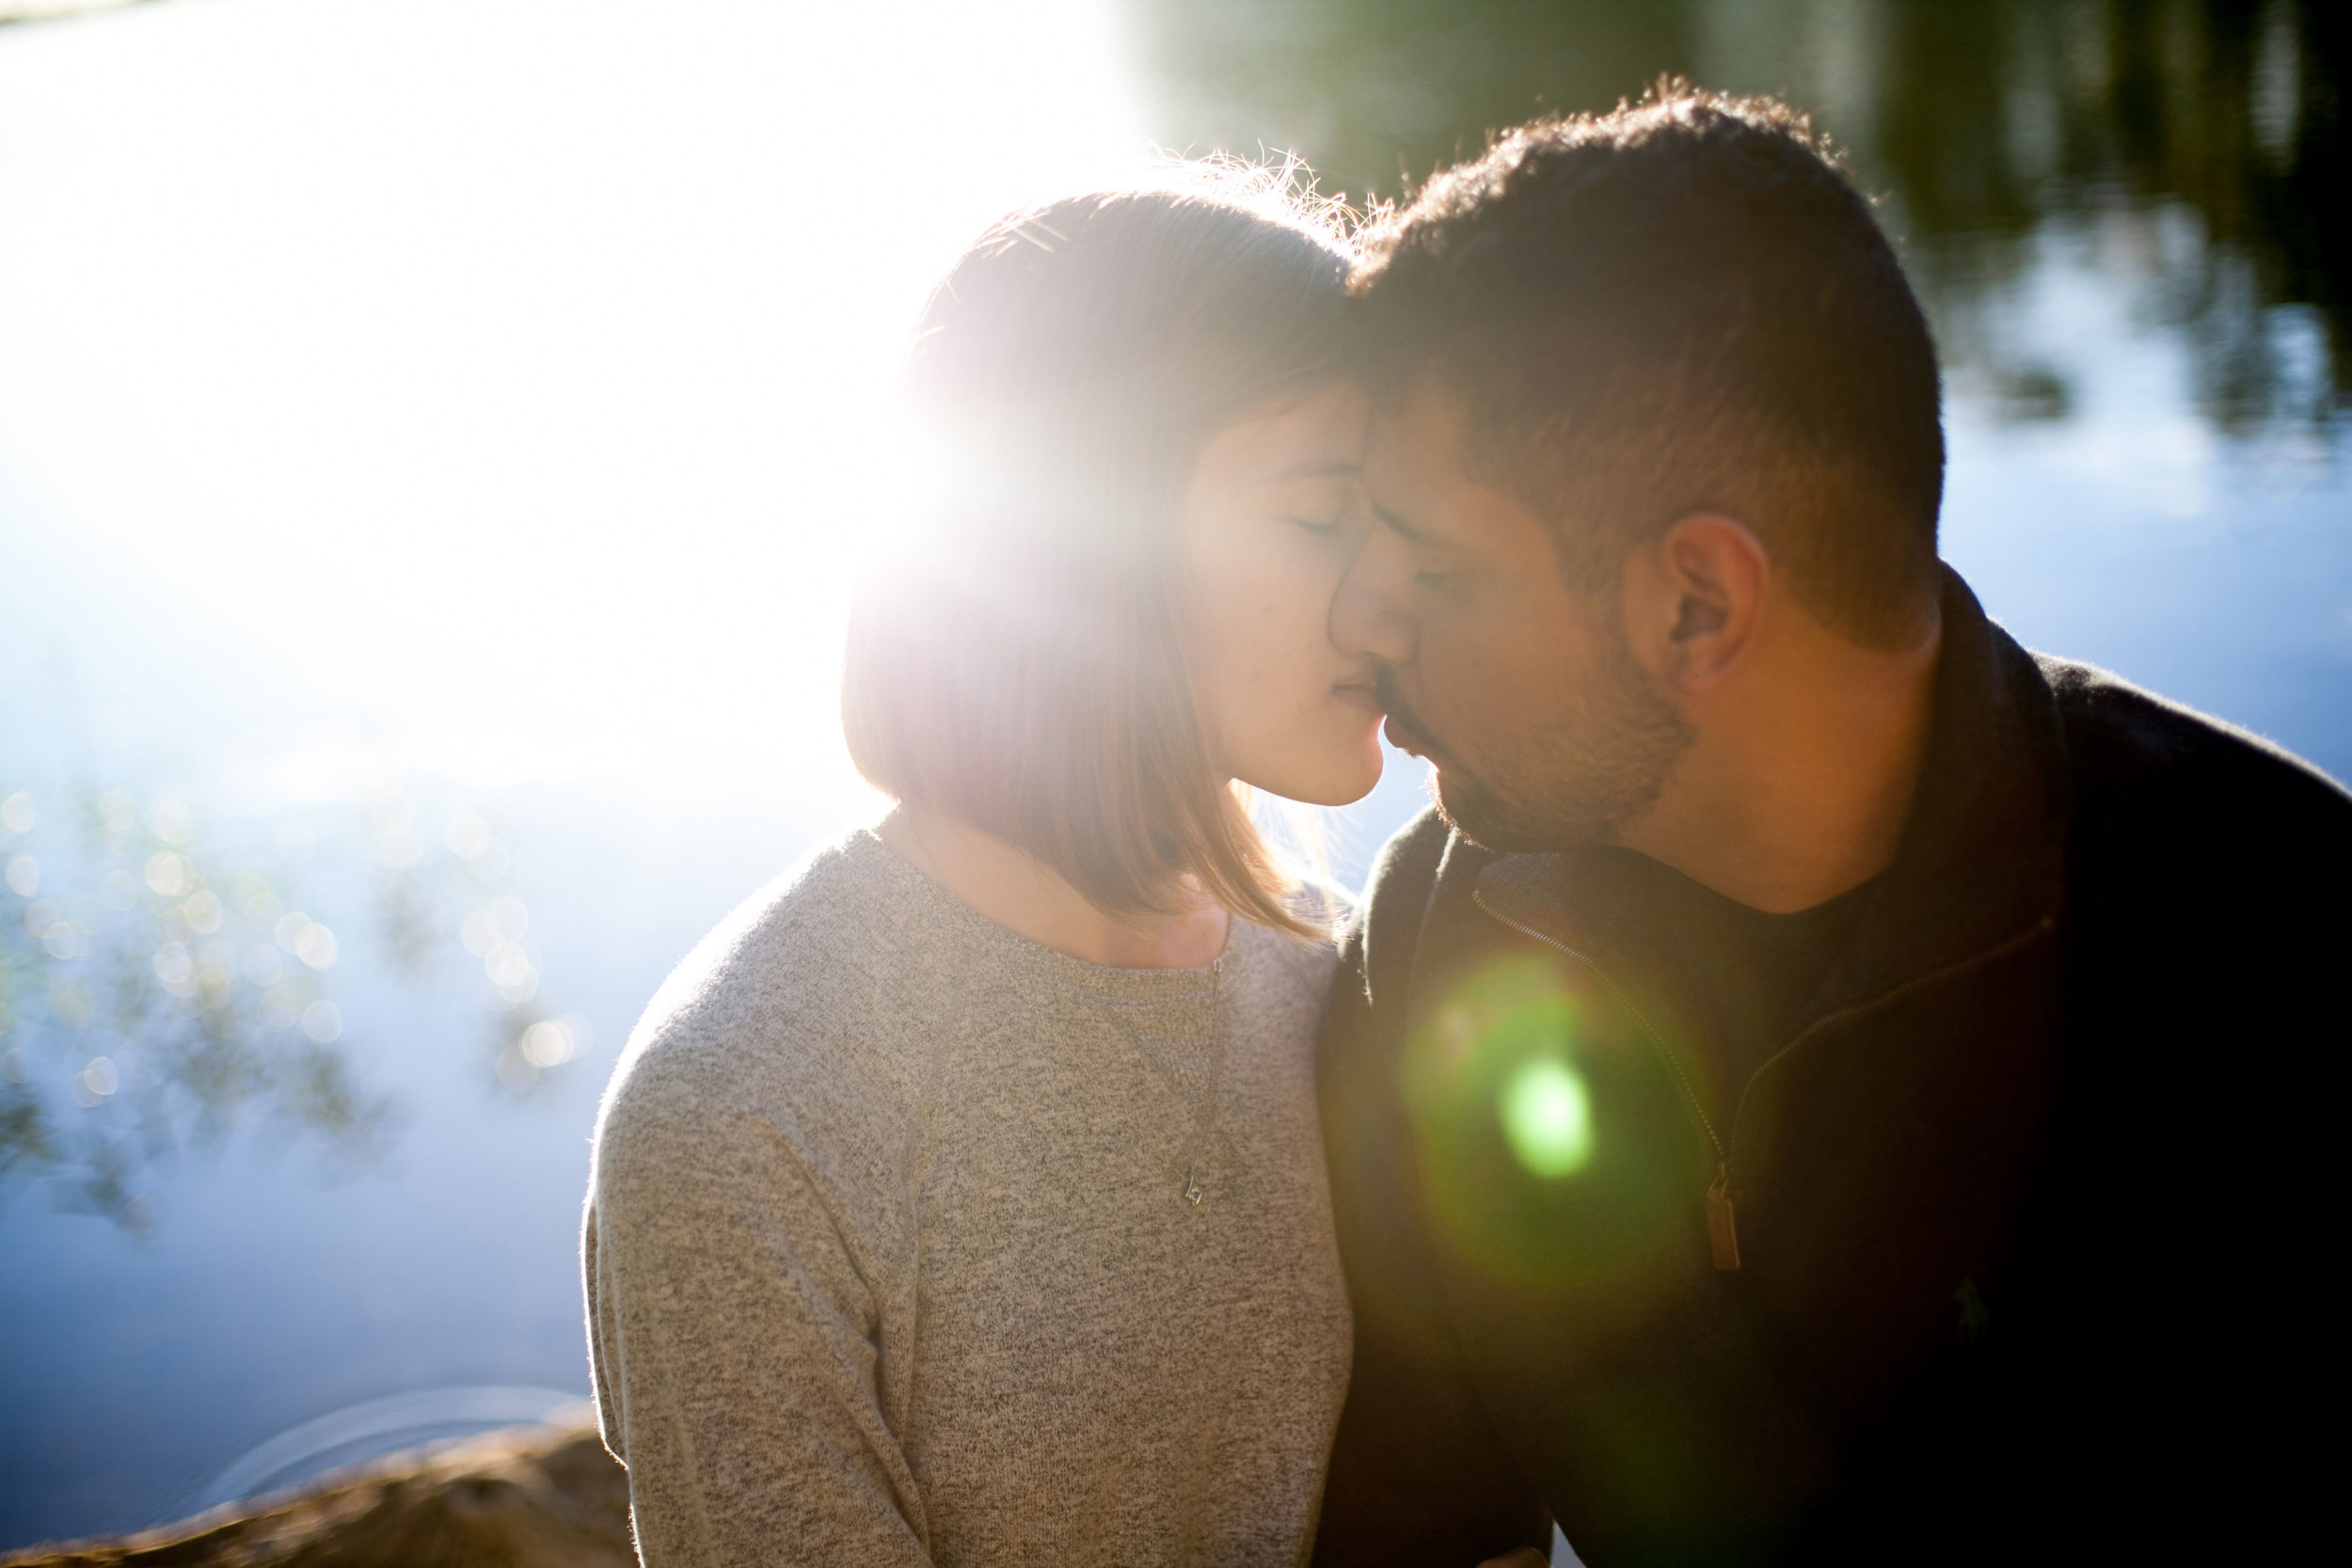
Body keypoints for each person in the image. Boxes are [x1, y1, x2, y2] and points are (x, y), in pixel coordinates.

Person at [1311, 87, 2349, 1567]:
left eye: (1434, 567)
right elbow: (1426, 1523)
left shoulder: (2273, 942)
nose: (1364, 618)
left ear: (1697, 604)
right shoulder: (1435, 939)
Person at [583, 170, 1388, 1565]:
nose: (1393, 589)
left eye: (1404, 520)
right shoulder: (742, 1115)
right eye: (1326, 516)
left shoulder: (1355, 979)